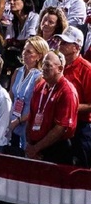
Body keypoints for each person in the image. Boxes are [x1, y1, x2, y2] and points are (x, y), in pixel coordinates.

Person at [26, 51, 79, 164]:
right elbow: (31, 116)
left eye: (48, 65)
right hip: (36, 146)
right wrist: (30, 145)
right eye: (43, 64)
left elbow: (60, 128)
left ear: (60, 69)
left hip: (56, 149)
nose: (43, 68)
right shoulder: (40, 86)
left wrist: (36, 148)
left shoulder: (67, 91)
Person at [58, 26, 91, 167]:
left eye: (65, 43)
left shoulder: (87, 70)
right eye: (61, 41)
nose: (60, 45)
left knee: (81, 169)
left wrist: (69, 107)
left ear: (76, 47)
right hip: (59, 125)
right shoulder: (58, 65)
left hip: (81, 128)